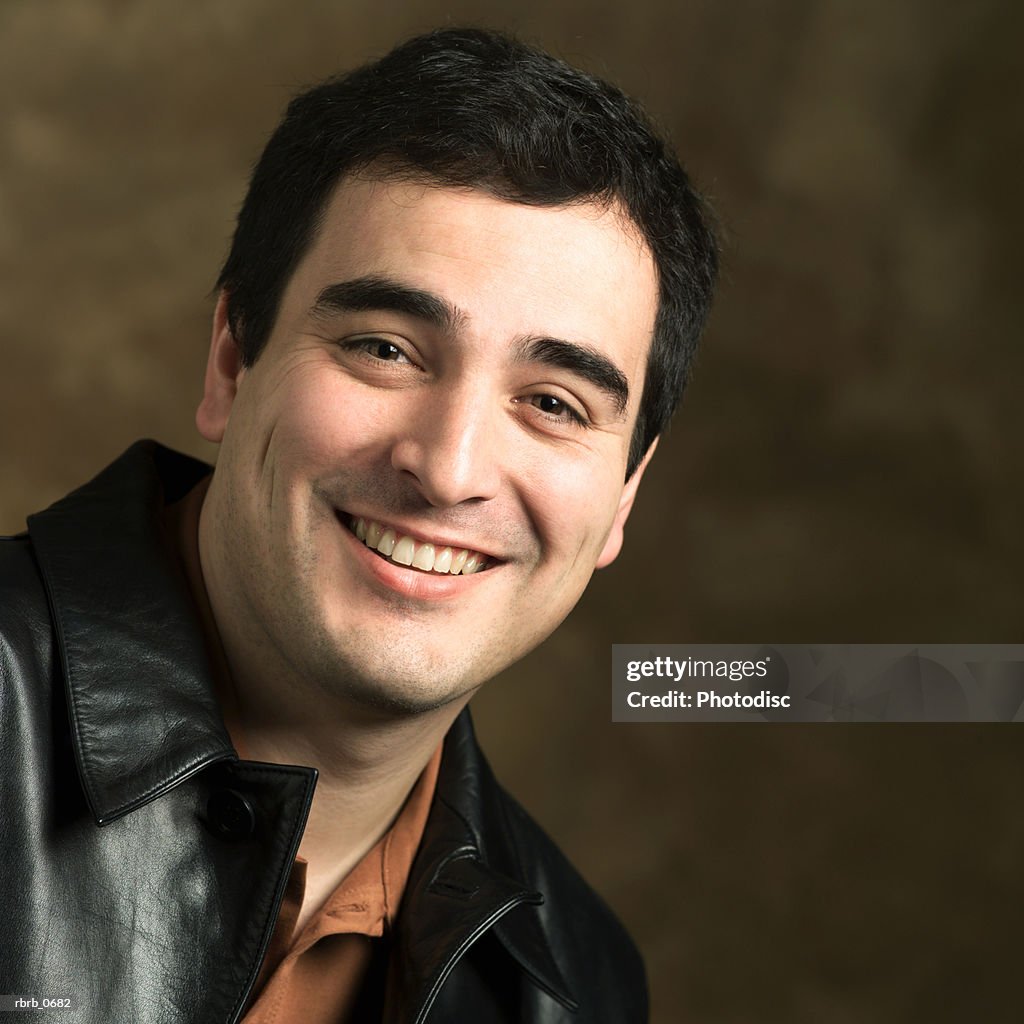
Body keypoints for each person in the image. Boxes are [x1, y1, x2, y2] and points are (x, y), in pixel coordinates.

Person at [0, 27, 717, 1024]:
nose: (448, 469)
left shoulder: (572, 985)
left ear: (622, 500)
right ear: (231, 362)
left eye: (552, 403)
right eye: (386, 348)